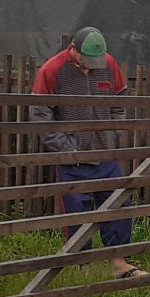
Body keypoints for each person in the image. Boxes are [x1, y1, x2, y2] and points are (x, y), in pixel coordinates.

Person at [30, 26, 139, 278]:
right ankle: (81, 266)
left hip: (106, 155)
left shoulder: (109, 64)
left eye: (95, 63)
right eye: (86, 61)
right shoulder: (52, 70)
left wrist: (113, 134)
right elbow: (40, 115)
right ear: (73, 50)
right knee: (77, 211)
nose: (90, 67)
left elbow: (120, 100)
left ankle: (119, 262)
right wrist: (68, 148)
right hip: (73, 159)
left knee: (118, 205)